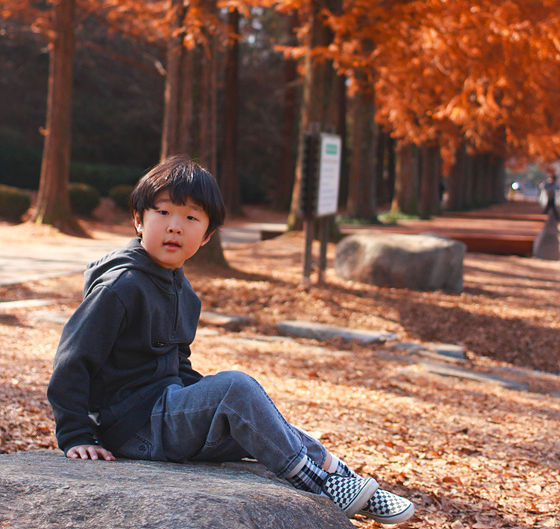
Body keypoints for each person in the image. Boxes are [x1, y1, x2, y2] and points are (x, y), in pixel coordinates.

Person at [48, 155, 415, 524]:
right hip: (133, 429)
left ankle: (339, 474)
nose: (175, 227)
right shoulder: (120, 286)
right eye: (163, 213)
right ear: (139, 220)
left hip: (166, 416)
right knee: (236, 388)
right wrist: (77, 434)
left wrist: (210, 399)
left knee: (262, 420)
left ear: (206, 235)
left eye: (191, 218)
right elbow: (72, 358)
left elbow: (178, 367)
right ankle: (316, 481)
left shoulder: (184, 293)